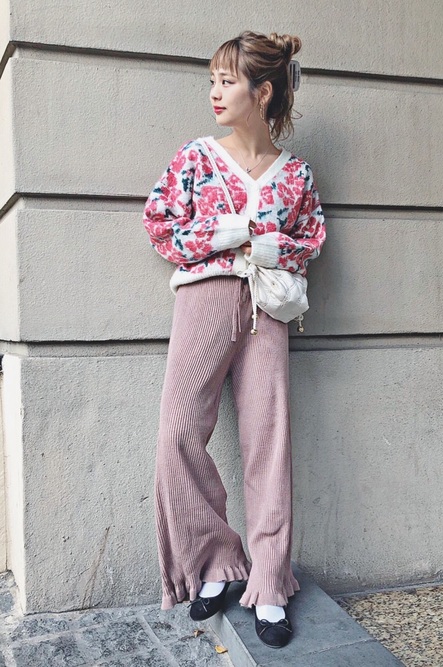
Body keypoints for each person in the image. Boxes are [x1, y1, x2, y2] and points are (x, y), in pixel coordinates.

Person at [143, 30, 325, 649]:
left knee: (268, 441)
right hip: (205, 300)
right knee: (176, 433)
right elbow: (159, 224)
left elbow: (311, 241)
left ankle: (270, 583)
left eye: (227, 81)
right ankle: (220, 561)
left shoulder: (296, 174)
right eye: (212, 81)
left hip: (267, 308)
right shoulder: (196, 158)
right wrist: (224, 234)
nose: (215, 93)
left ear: (262, 91)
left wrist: (268, 245)